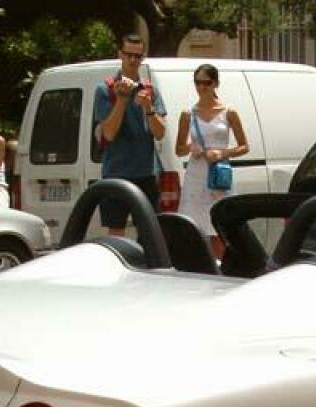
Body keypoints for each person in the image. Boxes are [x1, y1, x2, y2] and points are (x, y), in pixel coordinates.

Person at [92, 32, 166, 235]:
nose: (133, 60)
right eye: (129, 55)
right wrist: (122, 99)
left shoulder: (150, 90)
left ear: (143, 58)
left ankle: (148, 267)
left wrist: (149, 108)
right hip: (117, 173)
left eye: (138, 56)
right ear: (120, 55)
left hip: (146, 174)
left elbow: (160, 133)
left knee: (151, 233)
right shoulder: (104, 89)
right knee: (117, 234)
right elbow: (109, 134)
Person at [175, 64, 249, 260]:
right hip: (196, 175)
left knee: (219, 227)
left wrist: (222, 153)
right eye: (197, 83)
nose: (201, 87)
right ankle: (200, 268)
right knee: (195, 227)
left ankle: (220, 270)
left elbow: (244, 146)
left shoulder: (229, 112)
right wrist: (191, 147)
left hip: (218, 173)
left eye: (206, 83)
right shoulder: (187, 114)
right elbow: (179, 149)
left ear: (215, 83)